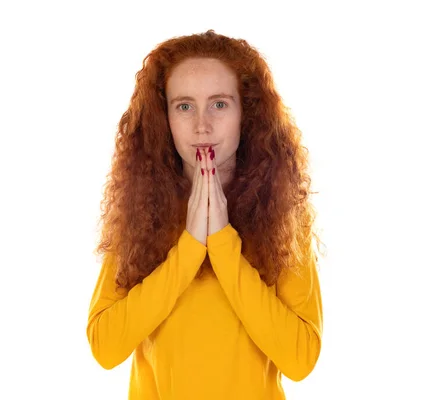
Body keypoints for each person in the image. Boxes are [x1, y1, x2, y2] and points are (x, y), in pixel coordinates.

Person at [86, 29, 324, 399]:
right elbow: (105, 347)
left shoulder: (284, 216)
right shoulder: (140, 214)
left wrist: (223, 243)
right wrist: (190, 246)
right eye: (184, 106)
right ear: (163, 118)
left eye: (219, 104)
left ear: (246, 113)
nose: (202, 125)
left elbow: (300, 359)